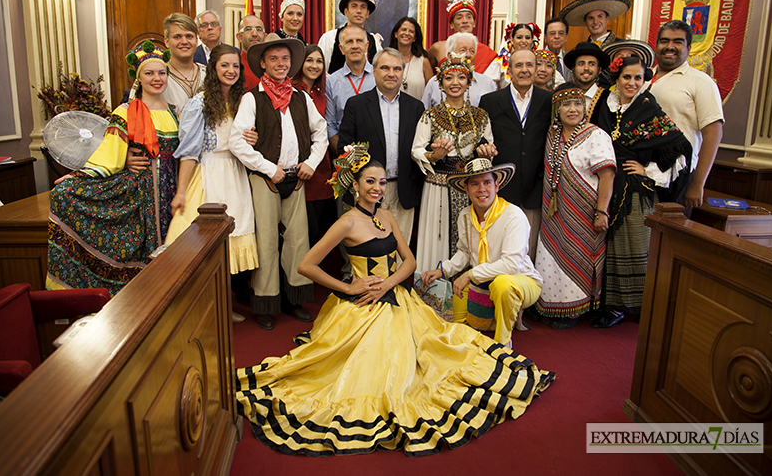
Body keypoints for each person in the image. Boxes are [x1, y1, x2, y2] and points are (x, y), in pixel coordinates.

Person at [235, 145, 554, 456]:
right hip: (364, 306)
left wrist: (387, 283)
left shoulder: (387, 216)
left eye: (382, 181)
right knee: (380, 364)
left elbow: (410, 263)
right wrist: (349, 288)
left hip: (399, 295)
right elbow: (306, 265)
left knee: (437, 349)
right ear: (356, 185)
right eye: (370, 181)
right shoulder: (346, 221)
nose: (377, 187)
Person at [47, 41, 178, 296]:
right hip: (141, 194)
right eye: (149, 73)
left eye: (161, 72)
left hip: (171, 191)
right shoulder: (127, 111)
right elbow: (109, 152)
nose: (157, 78)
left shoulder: (175, 112)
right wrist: (77, 177)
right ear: (138, 78)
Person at [229, 37, 328, 330]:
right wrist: (268, 168)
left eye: (285, 59)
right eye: (273, 59)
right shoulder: (252, 98)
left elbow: (320, 132)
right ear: (262, 63)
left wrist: (310, 163)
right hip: (265, 179)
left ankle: (295, 300)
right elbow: (237, 141)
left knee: (298, 241)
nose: (280, 64)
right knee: (267, 243)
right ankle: (265, 302)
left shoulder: (301, 97)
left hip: (296, 179)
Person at [164, 44, 259, 323]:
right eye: (225, 66)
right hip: (208, 175)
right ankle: (194, 309)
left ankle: (220, 307)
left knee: (229, 243)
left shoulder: (243, 101)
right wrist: (181, 192)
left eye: (235, 66)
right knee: (200, 244)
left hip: (235, 174)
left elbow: (243, 139)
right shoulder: (200, 104)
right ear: (213, 69)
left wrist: (250, 140)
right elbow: (189, 151)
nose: (231, 71)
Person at [595, 56, 691, 327]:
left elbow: (681, 148)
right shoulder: (605, 105)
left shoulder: (648, 107)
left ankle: (636, 306)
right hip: (607, 184)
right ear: (617, 78)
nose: (632, 83)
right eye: (627, 77)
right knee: (610, 247)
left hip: (636, 191)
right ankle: (613, 305)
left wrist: (647, 170)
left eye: (638, 78)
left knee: (634, 243)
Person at [421, 158, 544, 345]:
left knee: (502, 286)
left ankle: (503, 341)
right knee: (455, 317)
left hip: (520, 280)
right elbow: (464, 252)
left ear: (497, 185)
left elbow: (511, 265)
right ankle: (502, 316)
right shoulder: (465, 216)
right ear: (466, 189)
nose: (482, 189)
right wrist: (442, 271)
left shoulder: (513, 214)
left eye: (487, 182)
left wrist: (470, 275)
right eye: (475, 184)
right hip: (483, 282)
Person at [534, 84, 616, 329]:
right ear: (557, 110)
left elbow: (607, 175)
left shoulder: (595, 135)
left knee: (577, 257)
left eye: (578, 104)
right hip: (554, 212)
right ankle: (550, 304)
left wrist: (602, 211)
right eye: (566, 105)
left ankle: (573, 310)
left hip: (584, 212)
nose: (573, 109)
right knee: (552, 256)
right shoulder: (553, 133)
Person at [411, 53, 496, 273]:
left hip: (471, 188)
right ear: (440, 83)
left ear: (469, 82)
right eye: (449, 78)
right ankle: (435, 295)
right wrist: (435, 155)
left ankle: (467, 292)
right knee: (436, 239)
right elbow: (416, 150)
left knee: (470, 238)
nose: (455, 82)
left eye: (461, 77)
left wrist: (486, 154)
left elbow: (488, 150)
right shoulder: (430, 115)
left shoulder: (481, 116)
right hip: (438, 188)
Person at [338, 48, 425, 243]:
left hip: (403, 190)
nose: (391, 74)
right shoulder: (357, 104)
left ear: (403, 73)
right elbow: (344, 148)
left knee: (401, 250)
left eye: (397, 69)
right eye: (384, 68)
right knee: (369, 249)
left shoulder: (416, 107)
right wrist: (356, 189)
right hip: (368, 190)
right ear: (374, 71)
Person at [479, 49, 553, 260]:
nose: (524, 70)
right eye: (518, 65)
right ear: (509, 70)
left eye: (529, 65)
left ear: (536, 68)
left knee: (527, 252)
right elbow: (482, 139)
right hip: (501, 189)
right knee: (497, 250)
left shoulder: (548, 100)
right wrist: (485, 148)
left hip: (534, 189)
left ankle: (525, 292)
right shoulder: (491, 101)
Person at [651, 20, 724, 209]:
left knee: (668, 236)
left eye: (678, 42)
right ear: (656, 45)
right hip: (644, 172)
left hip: (679, 176)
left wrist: (697, 184)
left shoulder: (700, 82)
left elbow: (713, 133)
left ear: (689, 47)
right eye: (664, 41)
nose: (670, 46)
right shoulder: (641, 78)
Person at [422, 0, 500, 82]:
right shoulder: (437, 48)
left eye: (469, 17)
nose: (465, 21)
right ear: (451, 24)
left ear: (474, 23)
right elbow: (429, 78)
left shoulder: (487, 53)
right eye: (459, 17)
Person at [292, 45, 335, 245]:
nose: (314, 65)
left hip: (321, 163)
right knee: (302, 227)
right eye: (309, 60)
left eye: (319, 61)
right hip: (298, 163)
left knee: (319, 225)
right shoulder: (290, 90)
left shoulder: (322, 93)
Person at [324, 25, 377, 155]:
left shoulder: (379, 77)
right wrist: (345, 155)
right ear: (341, 49)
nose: (355, 46)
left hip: (377, 153)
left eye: (359, 41)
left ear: (367, 45)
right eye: (349, 41)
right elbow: (329, 124)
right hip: (343, 156)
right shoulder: (331, 82)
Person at [421, 32, 497, 109]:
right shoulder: (434, 83)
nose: (468, 55)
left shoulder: (487, 83)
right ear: (449, 55)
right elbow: (425, 112)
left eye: (472, 51)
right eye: (463, 50)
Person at [318, 0, 384, 74]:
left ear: (367, 13)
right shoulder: (330, 38)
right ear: (346, 12)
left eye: (363, 7)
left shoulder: (374, 42)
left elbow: (380, 72)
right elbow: (322, 71)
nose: (359, 11)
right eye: (354, 6)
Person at [161, 13, 206, 113]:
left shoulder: (209, 74)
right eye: (177, 37)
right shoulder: (156, 76)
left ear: (196, 41)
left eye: (189, 36)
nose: (184, 41)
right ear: (167, 42)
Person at [558, 0, 632, 49]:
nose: (595, 22)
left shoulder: (622, 47)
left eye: (600, 16)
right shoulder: (579, 49)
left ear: (607, 19)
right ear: (585, 23)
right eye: (590, 18)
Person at [564, 41, 610, 121]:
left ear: (599, 70)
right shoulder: (563, 95)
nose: (586, 68)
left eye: (592, 64)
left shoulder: (608, 99)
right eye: (581, 64)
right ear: (573, 69)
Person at [389, 16, 433, 100]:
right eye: (403, 29)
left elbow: (432, 91)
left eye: (411, 31)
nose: (407, 33)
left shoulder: (423, 62)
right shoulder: (387, 60)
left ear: (415, 38)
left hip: (418, 111)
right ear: (395, 34)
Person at [235, 14, 266, 91]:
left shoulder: (272, 64)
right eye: (248, 29)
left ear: (265, 36)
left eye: (259, 29)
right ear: (239, 37)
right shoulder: (234, 66)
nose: (254, 34)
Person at [545, 16, 572, 82]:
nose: (557, 37)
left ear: (566, 37)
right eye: (552, 33)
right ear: (545, 37)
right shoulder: (536, 58)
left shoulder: (571, 59)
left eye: (561, 33)